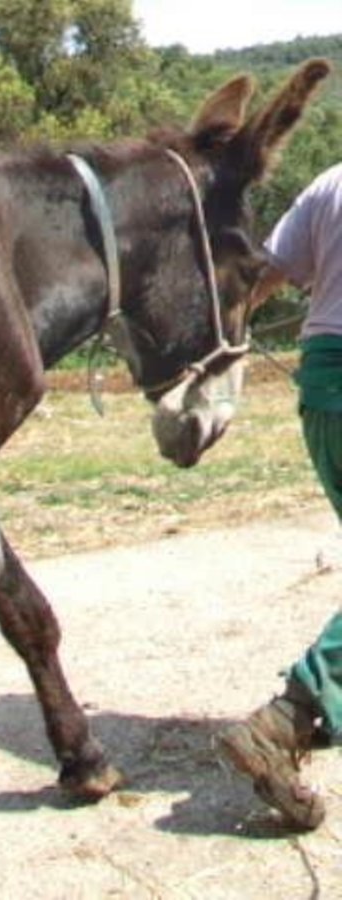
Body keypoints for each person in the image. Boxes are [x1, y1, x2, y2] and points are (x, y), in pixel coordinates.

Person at [217, 161, 342, 830]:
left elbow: (261, 279)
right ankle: (289, 715)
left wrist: (208, 339)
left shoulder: (329, 183)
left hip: (324, 394)